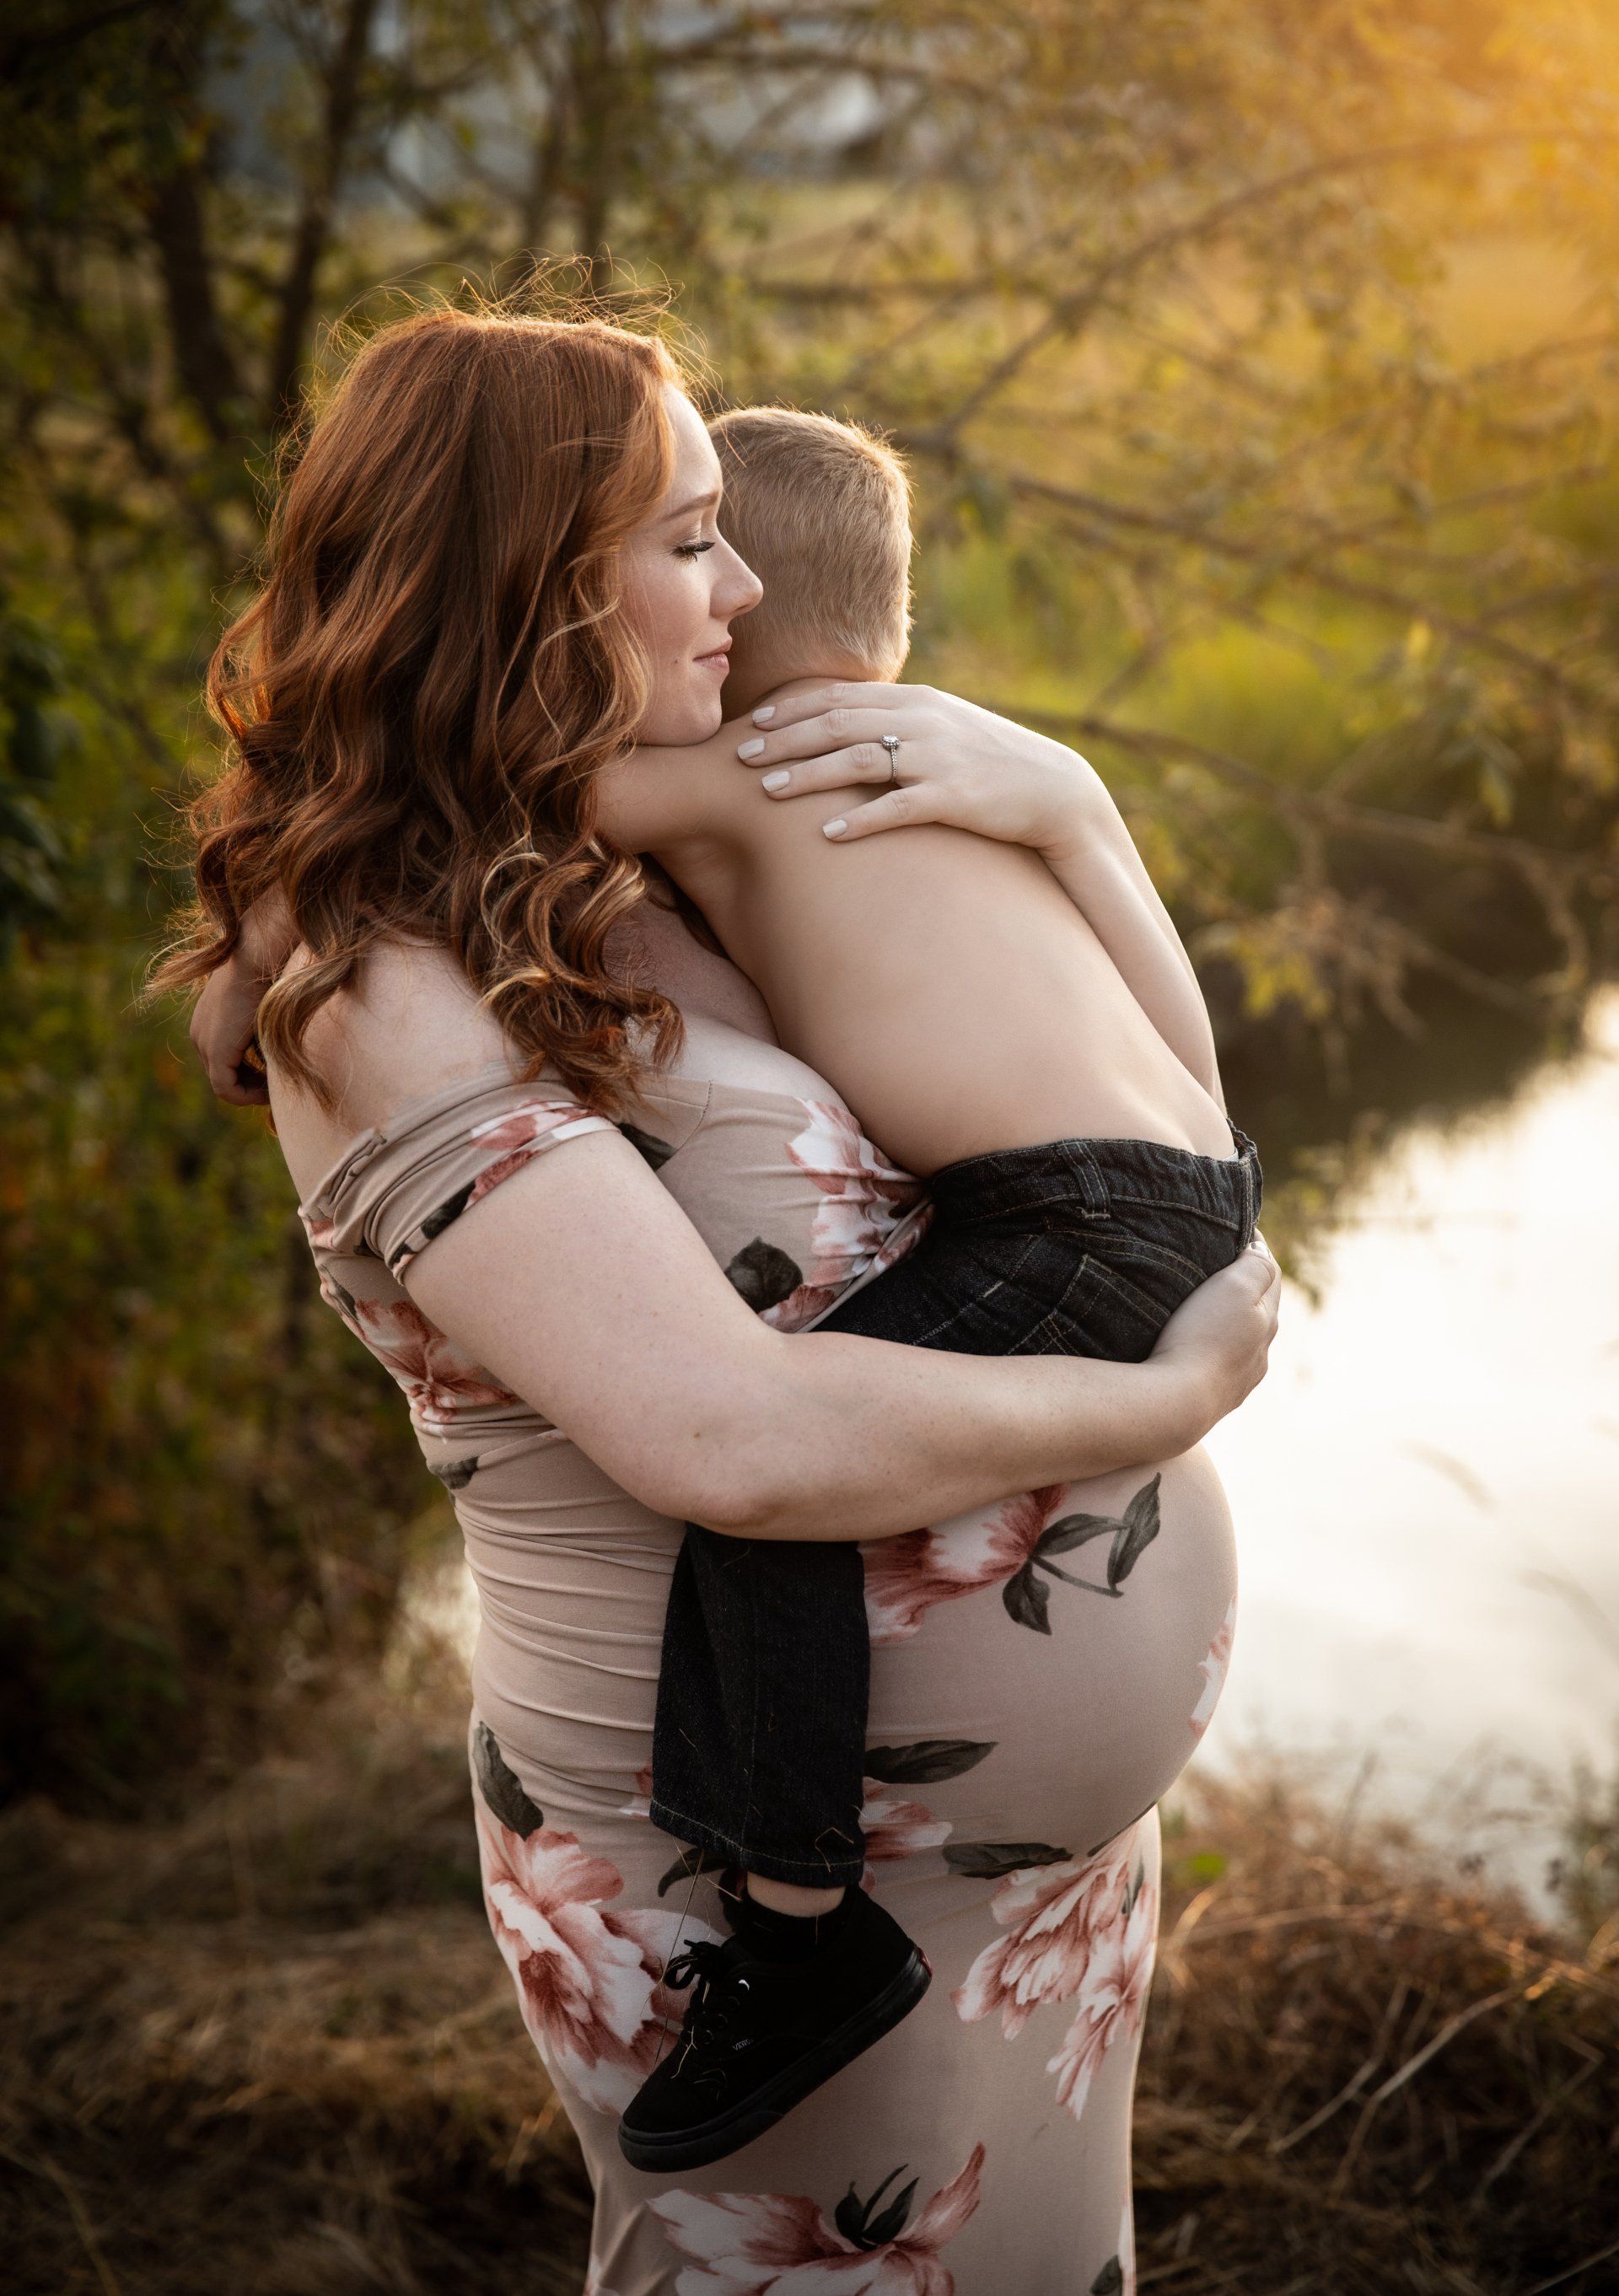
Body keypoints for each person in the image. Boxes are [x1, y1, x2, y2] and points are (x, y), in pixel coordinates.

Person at [177, 300, 1277, 2295]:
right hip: (744, 1893)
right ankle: (794, 1923)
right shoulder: (379, 977)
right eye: (689, 536)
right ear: (515, 580)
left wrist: (1069, 802)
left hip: (1016, 1895)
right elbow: (738, 1442)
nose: (747, 588)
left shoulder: (660, 859)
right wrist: (1166, 1401)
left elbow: (1170, 1119)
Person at [580, 408, 1260, 2174]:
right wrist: (1081, 799)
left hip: (1067, 1220)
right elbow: (1197, 1089)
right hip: (1176, 1188)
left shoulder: (745, 772)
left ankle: (807, 1938)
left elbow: (480, 801)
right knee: (810, 1446)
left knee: (785, 1478)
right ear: (889, 623)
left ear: (727, 628)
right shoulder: (961, 788)